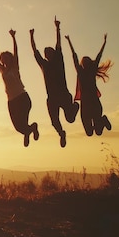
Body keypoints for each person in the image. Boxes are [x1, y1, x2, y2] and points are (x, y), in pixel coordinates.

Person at [30, 17, 79, 147]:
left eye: (49, 51)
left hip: (63, 95)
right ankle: (61, 133)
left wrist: (57, 28)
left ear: (53, 53)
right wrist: (31, 36)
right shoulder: (44, 65)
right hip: (52, 98)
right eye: (46, 53)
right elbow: (34, 51)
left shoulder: (58, 60)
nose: (48, 53)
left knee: (70, 119)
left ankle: (75, 106)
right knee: (54, 121)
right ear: (45, 56)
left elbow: (58, 43)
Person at [0, 30, 39, 147]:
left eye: (6, 58)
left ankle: (29, 130)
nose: (3, 60)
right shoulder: (2, 70)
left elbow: (16, 51)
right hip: (11, 101)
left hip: (22, 98)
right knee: (18, 127)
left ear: (10, 58)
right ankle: (31, 129)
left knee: (22, 123)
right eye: (2, 59)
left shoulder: (15, 67)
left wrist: (14, 38)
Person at [65, 34, 112, 136]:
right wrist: (104, 42)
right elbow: (76, 57)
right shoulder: (88, 71)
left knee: (93, 133)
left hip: (89, 104)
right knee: (91, 133)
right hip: (91, 103)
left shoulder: (84, 71)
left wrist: (69, 41)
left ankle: (103, 120)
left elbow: (75, 57)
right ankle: (102, 120)